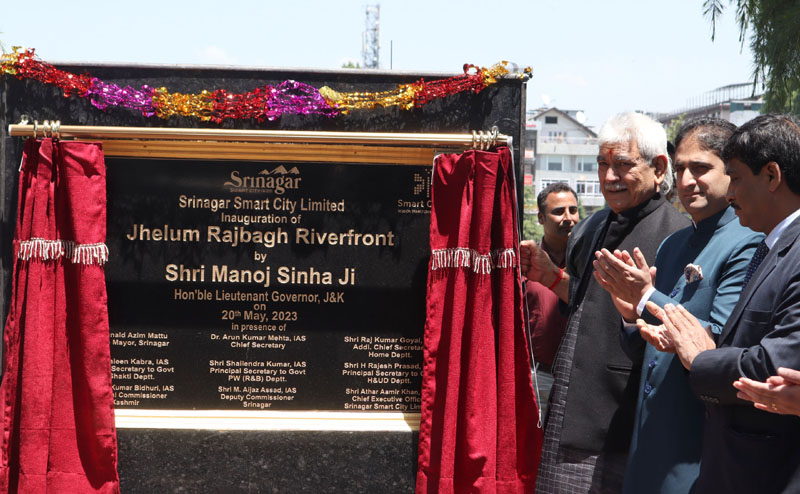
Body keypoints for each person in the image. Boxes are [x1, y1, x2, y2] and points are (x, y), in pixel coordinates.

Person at [592, 117, 763, 493]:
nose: (686, 181)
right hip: (649, 434)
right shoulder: (674, 244)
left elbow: (717, 343)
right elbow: (648, 347)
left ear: (732, 172)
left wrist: (647, 297)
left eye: (701, 168)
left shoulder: (748, 243)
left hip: (696, 439)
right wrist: (630, 315)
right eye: (681, 168)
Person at [520, 112, 689, 493]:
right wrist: (552, 277)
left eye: (623, 165)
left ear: (659, 168)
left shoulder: (677, 236)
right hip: (572, 399)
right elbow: (587, 301)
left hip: (623, 414)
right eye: (602, 165)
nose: (609, 177)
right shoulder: (592, 227)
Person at [639, 114, 800, 493]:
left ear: (772, 176)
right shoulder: (771, 246)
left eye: (737, 178)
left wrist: (699, 357)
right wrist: (683, 339)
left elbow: (776, 366)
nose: (731, 194)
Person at [526, 182, 580, 372]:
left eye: (573, 210)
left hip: (579, 376)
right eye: (559, 211)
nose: (568, 218)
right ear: (541, 218)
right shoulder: (526, 265)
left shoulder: (591, 264)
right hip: (538, 376)